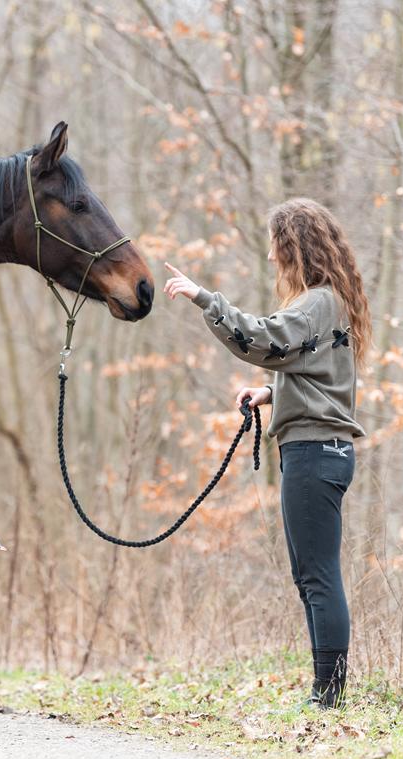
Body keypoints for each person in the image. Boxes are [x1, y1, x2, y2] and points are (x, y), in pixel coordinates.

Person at [161, 198, 371, 709]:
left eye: (277, 249)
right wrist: (271, 393)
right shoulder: (329, 303)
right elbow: (319, 374)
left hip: (314, 453)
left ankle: (329, 697)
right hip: (323, 450)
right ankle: (327, 691)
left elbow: (262, 339)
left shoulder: (317, 303)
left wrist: (203, 298)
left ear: (295, 247)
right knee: (310, 575)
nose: (272, 260)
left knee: (318, 576)